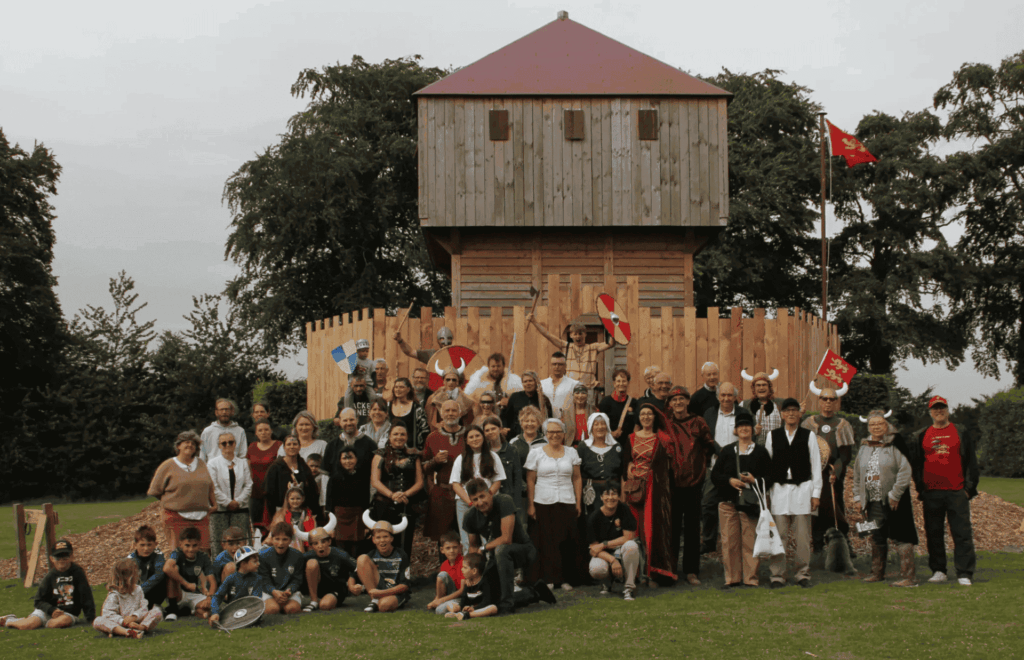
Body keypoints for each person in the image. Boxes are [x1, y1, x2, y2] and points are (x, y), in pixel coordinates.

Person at [909, 395, 979, 586]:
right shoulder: (922, 435)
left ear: (948, 410)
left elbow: (971, 462)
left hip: (956, 491)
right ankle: (939, 570)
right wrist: (920, 488)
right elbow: (916, 464)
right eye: (935, 408)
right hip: (932, 492)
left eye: (942, 408)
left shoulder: (960, 431)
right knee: (934, 533)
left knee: (962, 533)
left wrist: (969, 489)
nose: (939, 411)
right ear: (930, 412)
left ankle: (964, 573)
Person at [461, 479, 557, 615]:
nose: (480, 502)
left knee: (501, 550)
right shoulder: (470, 516)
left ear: (489, 493)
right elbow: (473, 548)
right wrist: (473, 572)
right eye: (475, 499)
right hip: (497, 556)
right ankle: (534, 593)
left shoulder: (504, 501)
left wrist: (483, 548)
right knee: (490, 600)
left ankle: (507, 606)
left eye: (482, 496)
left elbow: (506, 539)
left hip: (524, 551)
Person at [853, 410, 918, 587]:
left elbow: (905, 471)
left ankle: (908, 577)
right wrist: (858, 497)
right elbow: (858, 473)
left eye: (879, 424)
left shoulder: (895, 443)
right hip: (872, 501)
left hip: (893, 500)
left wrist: (895, 494)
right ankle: (877, 573)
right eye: (872, 424)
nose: (876, 427)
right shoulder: (865, 446)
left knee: (901, 535)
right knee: (876, 535)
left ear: (886, 425)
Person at [710, 411, 771, 588]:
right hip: (728, 502)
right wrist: (729, 480)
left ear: (752, 429)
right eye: (740, 426)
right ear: (735, 430)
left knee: (750, 541)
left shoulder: (760, 452)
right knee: (730, 542)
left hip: (750, 503)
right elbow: (715, 475)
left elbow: (770, 476)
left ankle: (750, 578)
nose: (744, 428)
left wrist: (754, 481)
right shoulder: (728, 451)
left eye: (747, 426)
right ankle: (732, 578)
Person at [765, 398, 822, 588]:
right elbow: (767, 465)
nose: (791, 413)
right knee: (778, 535)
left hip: (802, 490)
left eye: (794, 410)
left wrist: (816, 493)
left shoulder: (808, 435)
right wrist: (766, 491)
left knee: (802, 537)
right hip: (779, 491)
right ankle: (777, 575)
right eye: (787, 410)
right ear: (781, 414)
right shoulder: (772, 436)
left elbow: (816, 466)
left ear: (799, 414)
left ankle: (802, 573)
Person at [664, 386, 714, 584]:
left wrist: (700, 469)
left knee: (693, 528)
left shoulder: (698, 422)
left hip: (694, 483)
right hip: (672, 484)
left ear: (687, 402)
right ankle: (672, 568)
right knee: (673, 528)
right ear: (670, 404)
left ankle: (691, 570)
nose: (678, 403)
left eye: (681, 399)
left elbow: (709, 446)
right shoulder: (666, 424)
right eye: (674, 400)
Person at [526, 418, 582, 590]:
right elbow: (530, 479)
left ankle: (564, 579)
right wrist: (531, 504)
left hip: (566, 500)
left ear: (564, 434)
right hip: (543, 501)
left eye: (558, 431)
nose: (554, 435)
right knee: (546, 542)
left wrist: (578, 502)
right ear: (545, 434)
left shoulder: (571, 452)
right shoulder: (536, 452)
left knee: (565, 541)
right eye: (550, 431)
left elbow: (577, 477)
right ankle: (549, 578)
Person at [627, 402, 677, 585]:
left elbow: (669, 466)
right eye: (643, 414)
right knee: (635, 530)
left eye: (649, 414)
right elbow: (625, 461)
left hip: (655, 491)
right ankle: (636, 572)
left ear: (654, 417)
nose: (646, 417)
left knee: (652, 530)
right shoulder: (631, 438)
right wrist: (629, 468)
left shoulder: (662, 439)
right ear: (639, 418)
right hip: (634, 491)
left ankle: (653, 572)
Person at [802, 383, 855, 552]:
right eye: (824, 398)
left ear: (836, 402)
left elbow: (845, 454)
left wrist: (836, 471)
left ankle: (842, 545)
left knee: (835, 507)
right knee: (815, 509)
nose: (828, 402)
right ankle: (817, 546)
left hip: (832, 475)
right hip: (813, 474)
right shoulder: (809, 423)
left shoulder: (843, 424)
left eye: (832, 399)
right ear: (819, 401)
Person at [1, 539, 94, 631]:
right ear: (52, 558)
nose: (61, 560)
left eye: (65, 557)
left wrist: (90, 618)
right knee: (26, 626)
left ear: (72, 556)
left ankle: (44, 623)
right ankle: (9, 620)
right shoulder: (50, 576)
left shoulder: (78, 573)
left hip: (67, 613)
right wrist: (51, 610)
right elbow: (38, 600)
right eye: (58, 557)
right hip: (47, 611)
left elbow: (86, 596)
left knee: (60, 622)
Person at [148, 431, 217, 552]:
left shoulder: (201, 463)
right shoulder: (168, 465)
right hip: (176, 517)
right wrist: (174, 501)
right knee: (179, 554)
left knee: (204, 552)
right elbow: (155, 490)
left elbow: (209, 485)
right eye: (186, 442)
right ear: (178, 446)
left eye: (193, 443)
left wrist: (214, 504)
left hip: (201, 517)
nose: (190, 445)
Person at [701, 382, 747, 554]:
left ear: (735, 397)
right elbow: (706, 437)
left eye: (730, 395)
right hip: (715, 467)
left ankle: (738, 542)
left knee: (738, 504)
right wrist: (718, 451)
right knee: (708, 504)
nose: (726, 398)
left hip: (737, 467)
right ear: (718, 396)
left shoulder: (743, 413)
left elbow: (749, 435)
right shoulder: (710, 413)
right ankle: (708, 541)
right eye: (723, 395)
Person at [370, 422, 425, 559]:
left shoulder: (414, 456)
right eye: (395, 434)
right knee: (383, 540)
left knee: (405, 542)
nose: (399, 437)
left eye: (402, 434)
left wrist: (404, 494)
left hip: (406, 505)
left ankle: (403, 575)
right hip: (383, 505)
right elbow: (375, 481)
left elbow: (419, 482)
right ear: (389, 436)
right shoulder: (380, 455)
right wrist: (392, 495)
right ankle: (381, 576)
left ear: (407, 437)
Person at [451, 425, 506, 552]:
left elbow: (498, 481)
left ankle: (490, 567)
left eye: (477, 435)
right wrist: (472, 502)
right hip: (465, 503)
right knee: (467, 540)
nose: (475, 439)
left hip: (487, 503)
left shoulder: (493, 456)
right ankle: (471, 568)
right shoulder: (461, 458)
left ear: (483, 438)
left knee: (488, 538)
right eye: (471, 437)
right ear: (466, 440)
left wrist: (485, 498)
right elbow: (456, 485)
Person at [420, 399, 466, 547]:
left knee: (466, 536)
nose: (450, 414)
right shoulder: (432, 437)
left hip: (465, 494)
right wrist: (435, 461)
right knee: (443, 540)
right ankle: (445, 569)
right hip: (442, 493)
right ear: (441, 413)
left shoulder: (470, 435)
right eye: (447, 410)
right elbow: (423, 467)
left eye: (454, 410)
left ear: (460, 413)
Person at [527, 317, 614, 389]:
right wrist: (534, 322)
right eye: (575, 334)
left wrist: (613, 328)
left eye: (580, 333)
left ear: (585, 334)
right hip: (570, 388)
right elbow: (548, 335)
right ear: (571, 335)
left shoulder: (593, 347)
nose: (578, 336)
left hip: (588, 389)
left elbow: (610, 344)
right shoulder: (566, 346)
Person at [587, 486, 640, 601]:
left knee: (631, 545)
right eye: (607, 494)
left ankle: (629, 588)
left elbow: (628, 537)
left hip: (622, 550)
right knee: (596, 569)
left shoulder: (624, 510)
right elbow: (593, 549)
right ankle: (607, 583)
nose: (610, 498)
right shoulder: (594, 517)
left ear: (619, 497)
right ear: (601, 497)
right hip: (606, 555)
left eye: (614, 494)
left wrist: (603, 544)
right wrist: (613, 560)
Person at [209, 545, 279, 627]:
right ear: (243, 563)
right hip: (233, 612)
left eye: (258, 561)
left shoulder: (257, 578)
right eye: (254, 561)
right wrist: (215, 613)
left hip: (250, 612)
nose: (258, 564)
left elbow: (255, 600)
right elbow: (217, 597)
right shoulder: (230, 579)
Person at [207, 431, 253, 556]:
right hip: (220, 511)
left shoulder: (243, 463)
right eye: (224, 443)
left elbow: (248, 484)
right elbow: (213, 487)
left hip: (240, 508)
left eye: (230, 442)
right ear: (219, 445)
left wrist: (238, 501)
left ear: (235, 444)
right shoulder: (212, 464)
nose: (227, 445)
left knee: (241, 542)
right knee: (219, 543)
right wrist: (228, 503)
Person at [92, 558, 162, 639]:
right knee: (98, 621)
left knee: (157, 611)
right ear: (130, 578)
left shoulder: (138, 590)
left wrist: (134, 617)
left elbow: (144, 608)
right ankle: (127, 632)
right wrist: (124, 622)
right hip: (120, 624)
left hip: (137, 621)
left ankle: (140, 628)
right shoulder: (114, 594)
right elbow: (108, 614)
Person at [356, 518, 412, 613]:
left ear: (391, 538)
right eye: (378, 537)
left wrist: (381, 593)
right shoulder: (372, 554)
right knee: (361, 558)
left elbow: (404, 586)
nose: (382, 540)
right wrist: (352, 586)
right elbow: (354, 573)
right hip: (378, 589)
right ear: (373, 540)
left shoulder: (401, 555)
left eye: (385, 536)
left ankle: (377, 600)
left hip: (396, 592)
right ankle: (374, 600)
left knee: (384, 606)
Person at [301, 527, 362, 612]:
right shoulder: (307, 556)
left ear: (329, 542)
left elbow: (358, 567)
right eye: (315, 543)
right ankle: (314, 601)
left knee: (325, 605)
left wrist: (352, 584)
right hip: (318, 588)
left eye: (323, 541)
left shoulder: (340, 554)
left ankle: (328, 600)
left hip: (337, 588)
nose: (320, 546)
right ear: (311, 546)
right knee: (311, 563)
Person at [577, 412, 625, 516]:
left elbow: (623, 474)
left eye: (603, 423)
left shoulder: (616, 447)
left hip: (612, 495)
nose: (600, 427)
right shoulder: (583, 447)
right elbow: (577, 476)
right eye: (596, 424)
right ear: (591, 427)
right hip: (590, 495)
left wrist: (623, 496)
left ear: (607, 426)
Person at [326, 447, 371, 557]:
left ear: (356, 459)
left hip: (358, 516)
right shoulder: (334, 478)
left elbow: (366, 500)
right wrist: (331, 526)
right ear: (339, 460)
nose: (348, 461)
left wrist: (366, 524)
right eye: (344, 458)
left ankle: (355, 573)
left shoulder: (363, 477)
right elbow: (329, 502)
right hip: (339, 517)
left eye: (350, 457)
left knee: (357, 551)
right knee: (341, 551)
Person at [264, 435, 320, 522]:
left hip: (303, 513)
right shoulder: (275, 467)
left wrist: (314, 512)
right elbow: (269, 493)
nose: (292, 447)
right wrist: (273, 515)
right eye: (289, 444)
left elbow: (312, 491)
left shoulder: (304, 467)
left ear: (299, 446)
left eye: (295, 444)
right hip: (282, 512)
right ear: (284, 447)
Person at [163, 526, 215, 619]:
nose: (191, 549)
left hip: (195, 594)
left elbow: (212, 581)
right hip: (179, 592)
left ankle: (188, 611)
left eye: (194, 545)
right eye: (187, 545)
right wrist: (186, 584)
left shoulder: (203, 557)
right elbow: (167, 568)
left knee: (206, 611)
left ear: (199, 544)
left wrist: (209, 598)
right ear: (181, 544)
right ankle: (172, 608)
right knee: (173, 569)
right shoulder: (177, 553)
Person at [484, 416, 524, 524]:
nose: (490, 432)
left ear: (500, 429)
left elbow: (517, 479)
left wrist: (517, 504)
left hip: (508, 496)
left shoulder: (511, 450)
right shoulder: (483, 452)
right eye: (487, 430)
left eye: (493, 428)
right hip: (489, 498)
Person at [258, 521, 305, 615]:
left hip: (289, 593)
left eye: (285, 539)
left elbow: (297, 579)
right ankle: (272, 604)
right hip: (270, 592)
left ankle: (286, 604)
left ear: (291, 540)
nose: (280, 543)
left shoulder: (298, 556)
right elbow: (263, 580)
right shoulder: (263, 555)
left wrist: (289, 590)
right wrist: (273, 591)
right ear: (271, 539)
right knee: (272, 610)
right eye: (277, 539)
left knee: (292, 610)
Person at [323, 408, 378, 485]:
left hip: (362, 494)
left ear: (357, 420)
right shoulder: (331, 446)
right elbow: (326, 476)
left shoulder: (370, 445)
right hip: (337, 494)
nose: (348, 423)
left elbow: (377, 475)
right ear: (340, 422)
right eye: (345, 420)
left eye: (351, 419)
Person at [247, 418, 282, 535]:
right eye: (260, 430)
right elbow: (247, 469)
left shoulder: (278, 445)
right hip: (255, 492)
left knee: (273, 525)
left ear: (271, 431)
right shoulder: (251, 447)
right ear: (256, 433)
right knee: (256, 526)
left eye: (266, 429)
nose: (263, 432)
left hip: (272, 492)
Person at [127, 525, 169, 619]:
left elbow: (159, 574)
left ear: (155, 544)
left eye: (149, 544)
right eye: (142, 545)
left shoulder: (158, 554)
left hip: (148, 591)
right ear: (135, 545)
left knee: (166, 571)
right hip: (135, 595)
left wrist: (141, 590)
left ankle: (165, 606)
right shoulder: (130, 560)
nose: (146, 549)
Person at [426, 367, 477, 432]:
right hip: (440, 432)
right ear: (444, 381)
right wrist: (438, 426)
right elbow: (430, 420)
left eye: (454, 380)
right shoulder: (434, 398)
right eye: (448, 380)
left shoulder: (466, 400)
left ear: (457, 382)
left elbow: (469, 421)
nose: (451, 382)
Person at [503, 370, 553, 438]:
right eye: (525, 381)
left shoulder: (543, 399)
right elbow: (507, 416)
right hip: (516, 434)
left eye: (530, 381)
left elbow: (548, 418)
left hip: (537, 435)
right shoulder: (515, 397)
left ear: (536, 382)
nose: (528, 383)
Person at [598, 369, 636, 452]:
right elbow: (599, 424)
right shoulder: (605, 402)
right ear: (614, 383)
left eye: (624, 381)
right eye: (618, 381)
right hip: (609, 445)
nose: (621, 384)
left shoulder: (633, 402)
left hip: (628, 446)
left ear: (628, 383)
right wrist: (609, 434)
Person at [388, 377, 430, 452]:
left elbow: (424, 431)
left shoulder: (416, 408)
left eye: (401, 387)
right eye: (396, 387)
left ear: (408, 389)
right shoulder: (388, 406)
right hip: (391, 449)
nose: (398, 389)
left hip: (411, 450)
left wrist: (419, 450)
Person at [742, 369, 783, 446]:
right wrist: (753, 432)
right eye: (758, 385)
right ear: (753, 388)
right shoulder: (744, 405)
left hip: (777, 448)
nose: (761, 388)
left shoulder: (780, 404)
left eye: (764, 385)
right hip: (755, 450)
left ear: (769, 387)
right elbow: (739, 429)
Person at [427, 532, 465, 614]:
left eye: (455, 547)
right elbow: (442, 587)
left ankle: (455, 608)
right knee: (442, 575)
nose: (452, 551)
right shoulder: (444, 565)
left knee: (439, 611)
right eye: (448, 548)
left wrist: (442, 600)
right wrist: (436, 600)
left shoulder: (464, 562)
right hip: (450, 596)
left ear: (460, 548)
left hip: (462, 596)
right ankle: (449, 606)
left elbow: (462, 590)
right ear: (442, 550)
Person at [200, 398, 248, 462]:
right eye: (221, 409)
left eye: (227, 409)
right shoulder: (207, 431)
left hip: (234, 468)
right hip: (213, 470)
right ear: (216, 412)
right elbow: (202, 456)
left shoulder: (240, 431)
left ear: (231, 412)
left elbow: (243, 455)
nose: (224, 412)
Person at [541, 352, 579, 418]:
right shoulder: (542, 384)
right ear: (550, 366)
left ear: (565, 366)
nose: (557, 367)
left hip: (566, 422)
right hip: (546, 422)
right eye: (554, 364)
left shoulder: (574, 384)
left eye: (560, 364)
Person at [509, 405, 547, 470]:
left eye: (533, 421)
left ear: (538, 423)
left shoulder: (546, 441)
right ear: (521, 423)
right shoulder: (513, 442)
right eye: (526, 421)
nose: (529, 424)